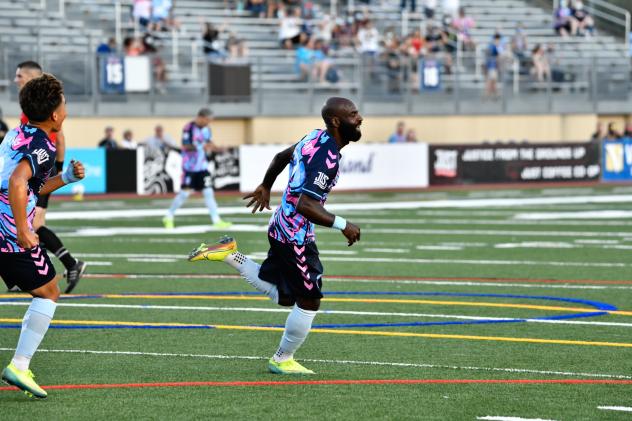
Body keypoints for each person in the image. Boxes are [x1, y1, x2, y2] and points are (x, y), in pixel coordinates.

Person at [187, 97, 362, 375]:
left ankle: (229, 254)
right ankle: (282, 358)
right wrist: (343, 224)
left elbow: (282, 157)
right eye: (354, 115)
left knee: (285, 295)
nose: (360, 118)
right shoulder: (326, 157)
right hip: (295, 234)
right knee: (309, 299)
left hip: (283, 225)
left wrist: (266, 185)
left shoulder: (315, 135)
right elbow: (307, 204)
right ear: (337, 121)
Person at [0, 73, 85, 398]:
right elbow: (18, 183)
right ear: (55, 114)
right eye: (64, 103)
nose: (66, 108)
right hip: (7, 229)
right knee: (49, 291)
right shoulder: (42, 145)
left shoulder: (17, 134)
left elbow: (28, 184)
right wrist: (23, 228)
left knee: (46, 289)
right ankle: (20, 365)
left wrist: (63, 178)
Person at [11, 61, 86, 294]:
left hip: (40, 169)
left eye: (19, 75)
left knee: (32, 224)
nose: (16, 80)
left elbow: (59, 138)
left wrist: (60, 171)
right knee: (29, 223)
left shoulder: (44, 109)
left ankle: (71, 264)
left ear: (31, 77)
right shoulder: (32, 108)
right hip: (34, 170)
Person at [163, 108, 231, 229]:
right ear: (201, 117)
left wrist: (218, 149)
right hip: (189, 167)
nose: (208, 123)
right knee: (184, 194)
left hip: (202, 167)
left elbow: (209, 143)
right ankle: (168, 216)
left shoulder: (207, 129)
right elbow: (185, 146)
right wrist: (201, 146)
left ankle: (216, 221)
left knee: (208, 192)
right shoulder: (188, 128)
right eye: (207, 120)